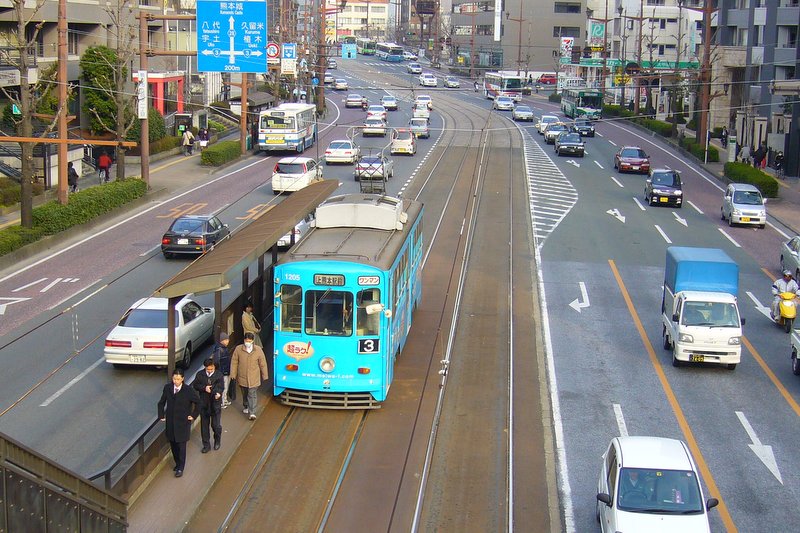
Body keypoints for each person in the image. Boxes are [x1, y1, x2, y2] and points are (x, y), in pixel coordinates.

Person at [157, 368, 199, 478]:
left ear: (183, 379)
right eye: (174, 379)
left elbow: (198, 402)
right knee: (173, 445)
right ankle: (177, 463)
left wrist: (193, 415)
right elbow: (161, 402)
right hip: (171, 422)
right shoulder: (168, 388)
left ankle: (181, 467)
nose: (176, 381)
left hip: (183, 423)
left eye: (178, 379)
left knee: (181, 446)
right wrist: (161, 415)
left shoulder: (188, 390)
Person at [230, 332, 269, 420]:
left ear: (252, 341)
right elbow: (234, 362)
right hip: (242, 376)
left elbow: (262, 363)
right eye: (246, 340)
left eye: (250, 341)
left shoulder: (258, 350)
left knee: (252, 394)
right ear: (244, 340)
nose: (248, 342)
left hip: (254, 377)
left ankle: (252, 412)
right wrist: (233, 374)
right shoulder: (238, 349)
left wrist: (265, 375)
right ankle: (246, 405)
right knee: (245, 393)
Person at [192, 358, 224, 452]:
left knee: (216, 425)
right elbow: (195, 385)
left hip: (215, 404)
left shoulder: (219, 375)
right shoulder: (200, 375)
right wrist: (204, 388)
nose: (210, 371)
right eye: (208, 369)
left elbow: (221, 387)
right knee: (204, 426)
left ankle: (217, 440)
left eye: (211, 369)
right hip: (204, 403)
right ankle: (206, 445)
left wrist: (218, 393)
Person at [211, 332, 233, 408]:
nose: (228, 341)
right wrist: (220, 371)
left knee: (226, 386)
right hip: (223, 372)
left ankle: (225, 400)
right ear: (222, 340)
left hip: (225, 371)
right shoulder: (219, 349)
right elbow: (216, 361)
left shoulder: (223, 348)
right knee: (223, 387)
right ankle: (222, 402)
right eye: (226, 340)